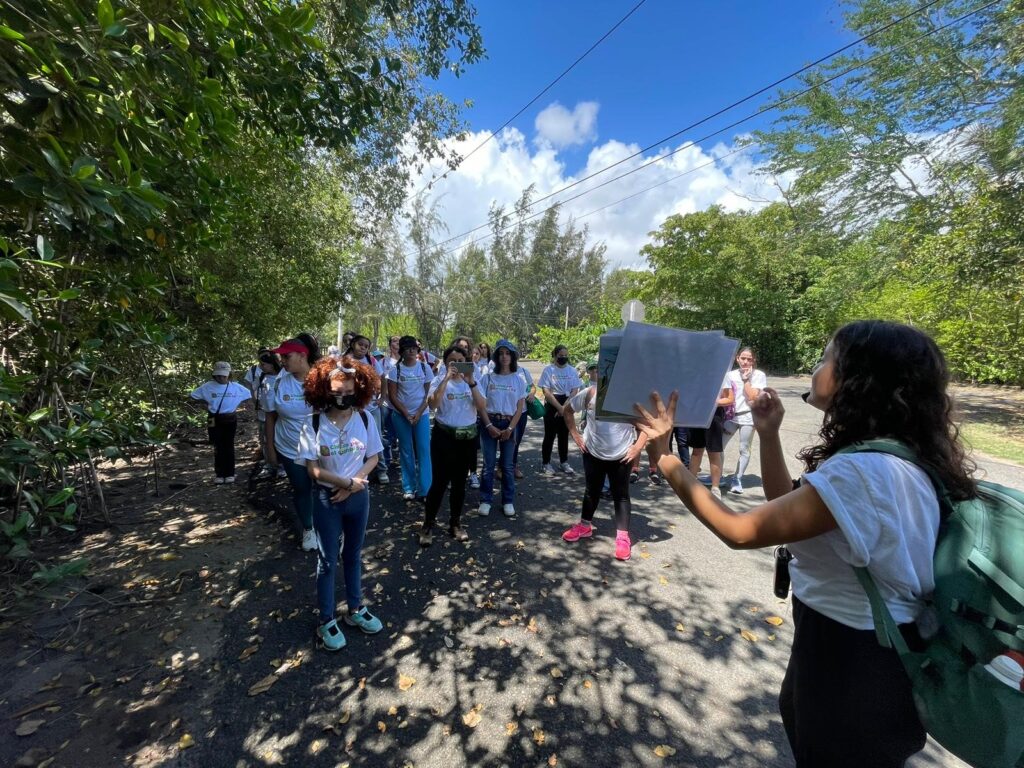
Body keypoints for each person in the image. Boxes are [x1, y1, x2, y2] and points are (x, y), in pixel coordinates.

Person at [633, 320, 976, 768]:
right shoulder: (885, 459)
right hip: (852, 650)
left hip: (855, 665)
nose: (816, 367)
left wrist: (667, 458)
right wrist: (770, 433)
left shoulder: (865, 472)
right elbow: (785, 506)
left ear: (857, 379)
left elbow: (739, 530)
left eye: (825, 357)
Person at [298, 356, 384, 651]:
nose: (343, 397)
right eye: (337, 391)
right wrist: (345, 484)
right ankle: (326, 619)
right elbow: (312, 469)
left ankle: (355, 609)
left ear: (358, 389)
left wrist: (355, 484)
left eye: (349, 391)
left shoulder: (364, 418)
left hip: (358, 498)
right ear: (323, 390)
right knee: (327, 559)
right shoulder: (312, 422)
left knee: (354, 554)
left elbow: (373, 456)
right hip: (327, 499)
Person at [562, 360, 648, 560]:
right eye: (601, 371)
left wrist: (637, 447)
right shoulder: (590, 393)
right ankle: (585, 526)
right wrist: (576, 435)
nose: (604, 375)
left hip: (622, 455)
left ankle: (623, 537)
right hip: (592, 452)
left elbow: (645, 427)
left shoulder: (630, 398)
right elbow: (567, 410)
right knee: (592, 491)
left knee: (621, 495)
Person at [420, 345, 487, 545]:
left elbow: (482, 406)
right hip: (444, 438)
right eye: (452, 362)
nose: (456, 365)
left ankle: (455, 524)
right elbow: (432, 404)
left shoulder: (473, 382)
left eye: (460, 361)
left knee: (459, 484)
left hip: (466, 439)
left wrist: (472, 382)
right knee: (439, 484)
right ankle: (428, 525)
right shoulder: (439, 380)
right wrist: (446, 378)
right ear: (447, 363)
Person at [266, 333, 321, 551]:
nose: (282, 361)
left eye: (287, 356)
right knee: (301, 488)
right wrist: (269, 449)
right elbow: (270, 416)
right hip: (289, 447)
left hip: (320, 447)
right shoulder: (279, 382)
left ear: (302, 355)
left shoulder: (322, 381)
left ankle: (329, 526)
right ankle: (308, 529)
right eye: (282, 357)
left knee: (325, 488)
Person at [478, 339, 526, 518]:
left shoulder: (518, 379)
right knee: (488, 465)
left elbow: (520, 407)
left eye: (507, 353)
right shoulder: (488, 377)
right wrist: (489, 425)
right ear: (496, 356)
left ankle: (507, 500)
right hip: (489, 423)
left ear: (512, 356)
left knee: (507, 466)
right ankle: (485, 499)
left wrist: (511, 428)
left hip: (509, 425)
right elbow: (480, 405)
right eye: (501, 353)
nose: (504, 357)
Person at [387, 336, 433, 501]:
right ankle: (409, 487)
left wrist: (419, 413)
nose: (412, 351)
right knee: (406, 450)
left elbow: (428, 394)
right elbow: (392, 396)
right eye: (407, 348)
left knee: (423, 449)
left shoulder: (424, 368)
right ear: (402, 351)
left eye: (414, 348)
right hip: (401, 416)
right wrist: (406, 414)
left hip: (422, 414)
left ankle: (425, 489)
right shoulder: (395, 370)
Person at [190, 362, 251, 484]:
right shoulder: (207, 386)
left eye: (224, 376)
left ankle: (230, 473)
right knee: (218, 445)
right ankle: (219, 473)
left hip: (230, 419)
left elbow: (248, 396)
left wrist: (236, 405)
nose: (221, 378)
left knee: (229, 445)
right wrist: (206, 405)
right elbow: (193, 396)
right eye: (218, 376)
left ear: (229, 375)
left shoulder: (236, 387)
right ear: (214, 375)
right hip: (214, 419)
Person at [345, 334, 389, 485]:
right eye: (360, 345)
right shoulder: (343, 360)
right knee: (355, 440)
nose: (363, 348)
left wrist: (382, 397)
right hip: (350, 408)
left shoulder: (371, 361)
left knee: (375, 437)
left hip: (371, 407)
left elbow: (383, 378)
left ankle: (382, 469)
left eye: (366, 346)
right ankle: (359, 471)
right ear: (352, 345)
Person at [723, 347, 767, 494]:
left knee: (744, 449)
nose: (746, 362)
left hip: (749, 417)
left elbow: (753, 396)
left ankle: (737, 478)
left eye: (749, 359)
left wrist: (746, 380)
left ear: (754, 360)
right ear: (737, 358)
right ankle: (717, 476)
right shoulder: (730, 375)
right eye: (743, 358)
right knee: (718, 446)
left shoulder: (759, 375)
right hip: (731, 417)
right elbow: (727, 397)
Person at [686, 378, 734, 498]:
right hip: (697, 414)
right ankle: (690, 485)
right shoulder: (696, 374)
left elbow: (730, 398)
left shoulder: (722, 374)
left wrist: (713, 402)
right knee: (696, 451)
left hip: (714, 415)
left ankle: (715, 487)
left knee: (714, 452)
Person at [538, 344, 582, 475]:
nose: (563, 358)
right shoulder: (548, 370)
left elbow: (575, 389)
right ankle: (546, 463)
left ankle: (564, 462)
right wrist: (559, 407)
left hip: (567, 402)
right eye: (561, 355)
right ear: (555, 356)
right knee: (549, 435)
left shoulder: (572, 371)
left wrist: (565, 407)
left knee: (563, 435)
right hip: (552, 404)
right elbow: (546, 391)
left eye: (565, 355)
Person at [246, 351, 284, 479]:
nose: (261, 367)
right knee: (266, 440)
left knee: (279, 440)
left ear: (272, 364)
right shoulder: (262, 377)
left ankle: (281, 466)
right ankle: (269, 466)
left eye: (263, 364)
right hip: (264, 415)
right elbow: (254, 389)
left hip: (279, 416)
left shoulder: (283, 377)